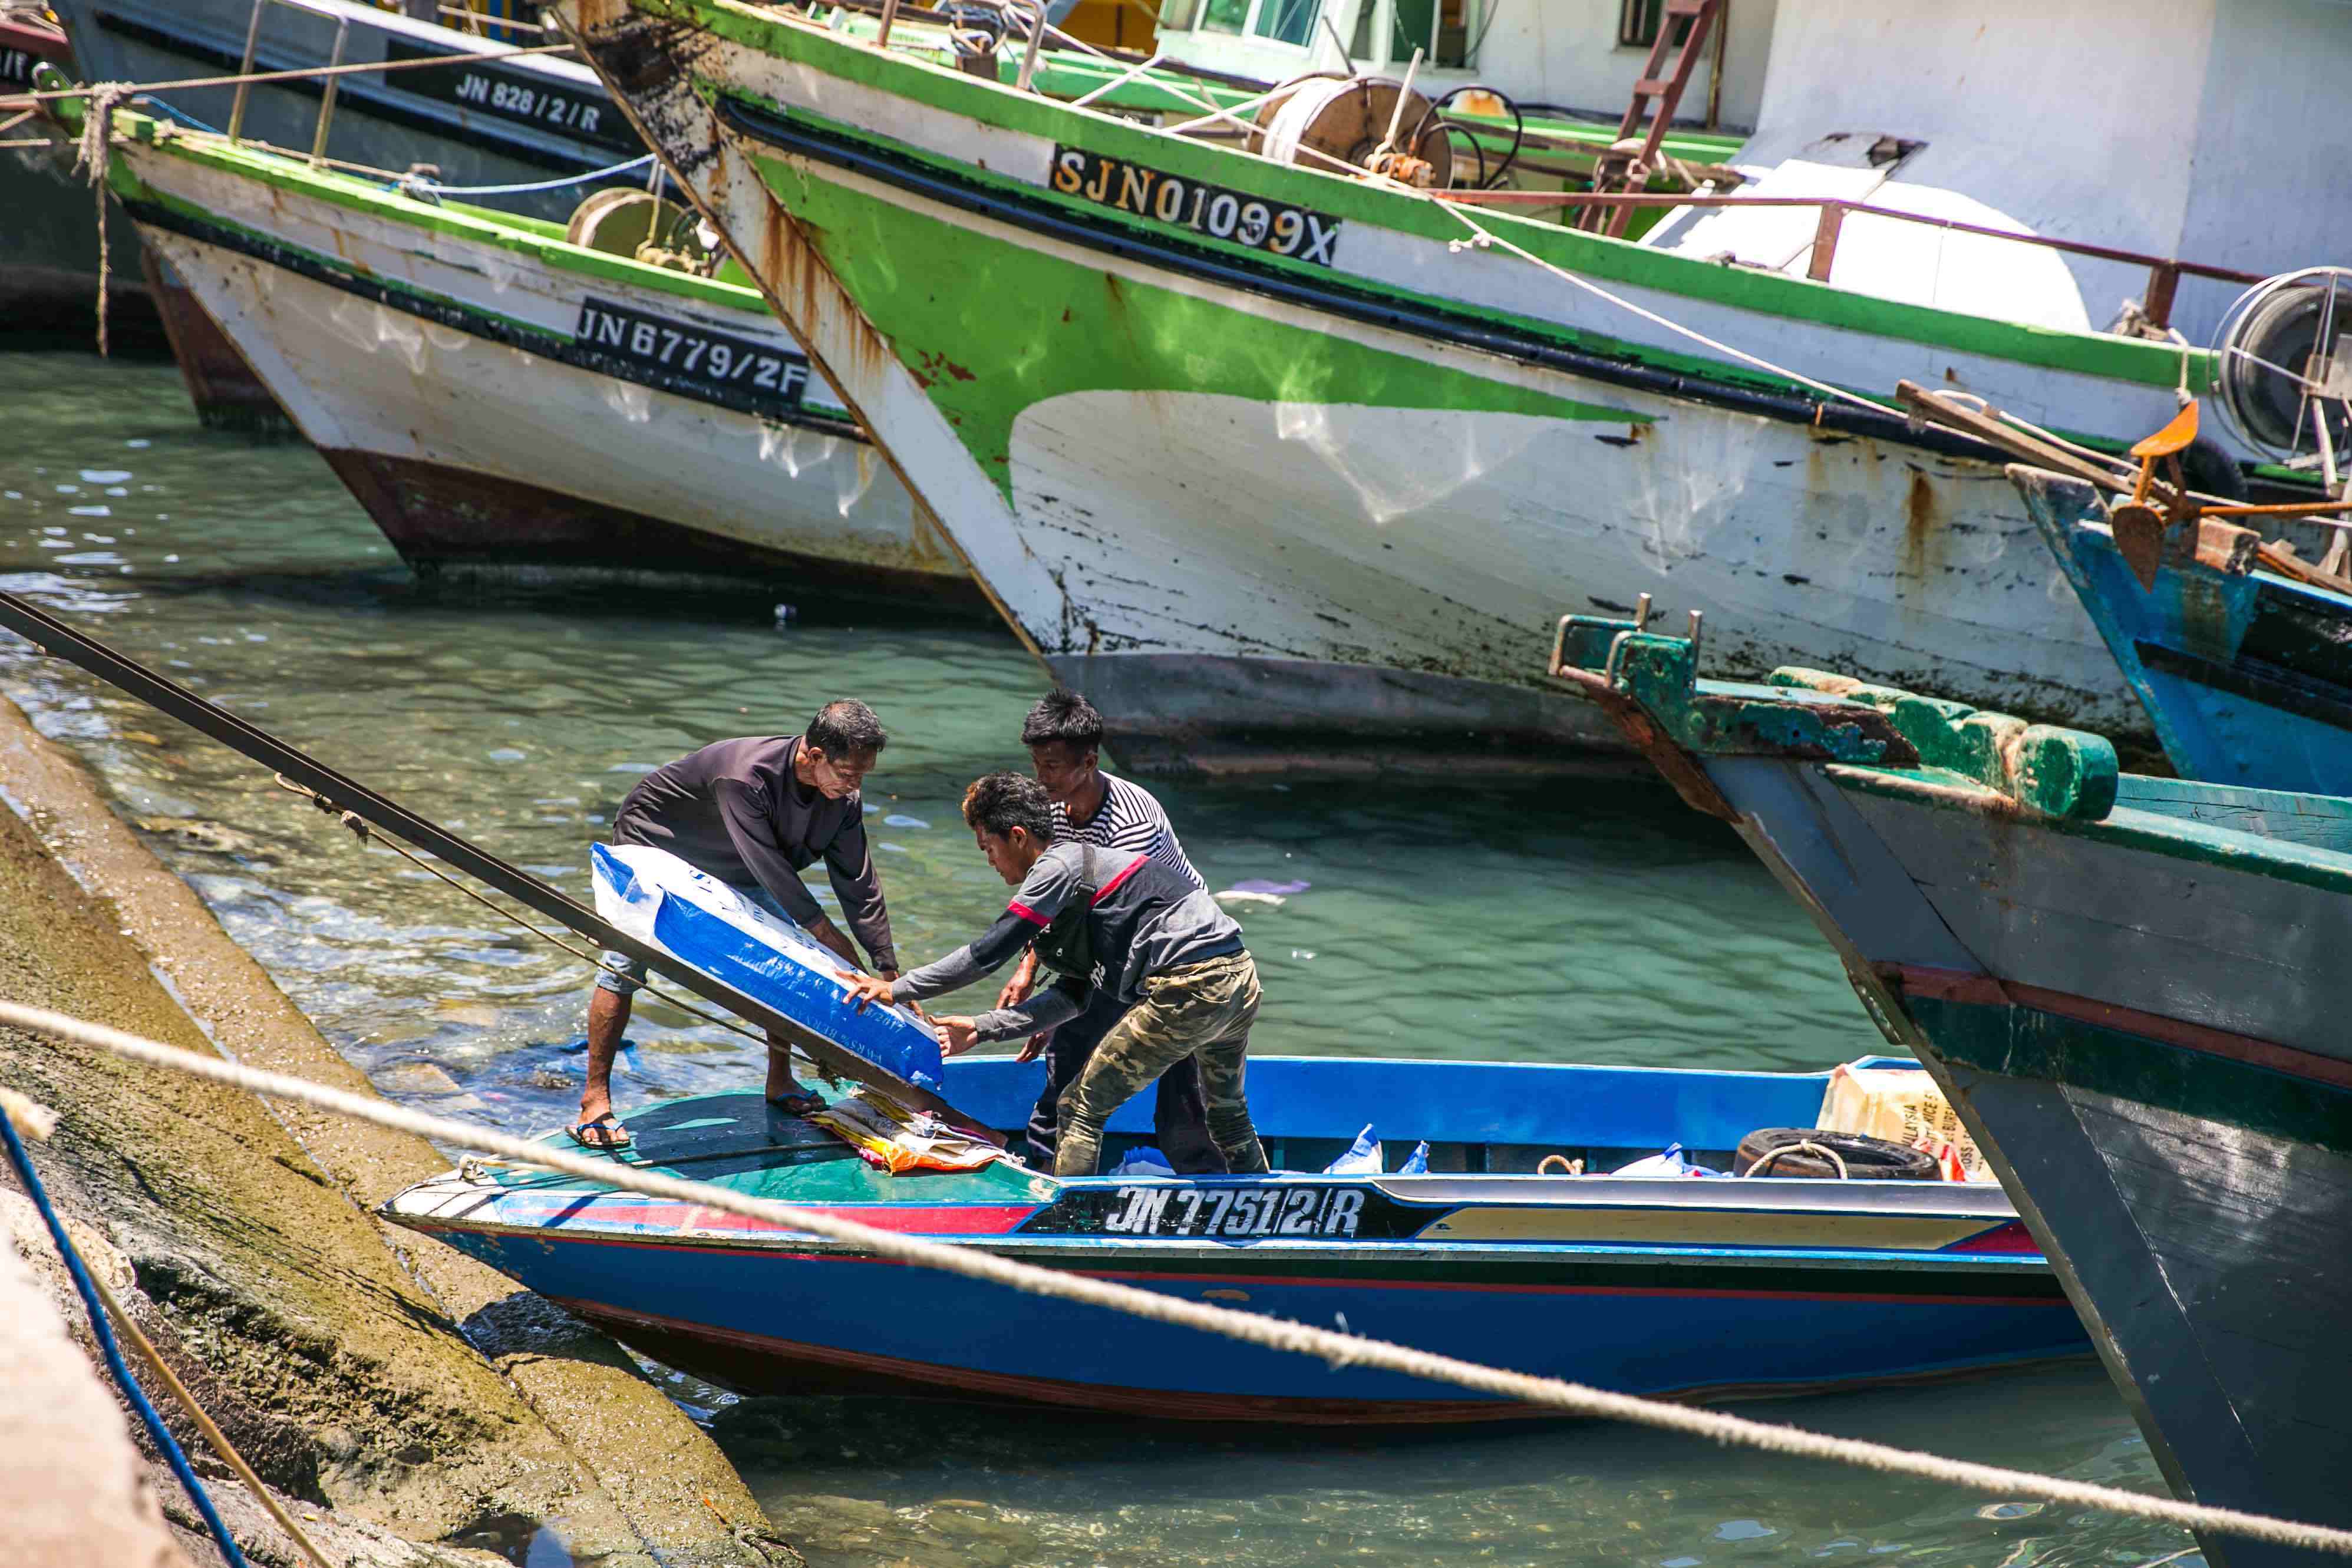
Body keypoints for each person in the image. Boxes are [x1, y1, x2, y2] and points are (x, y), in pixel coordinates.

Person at [842, 772, 1268, 1179]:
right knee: (1226, 1112)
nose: (989, 861)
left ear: (1018, 837)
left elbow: (988, 952)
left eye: (987, 847)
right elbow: (1072, 997)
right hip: (1238, 977)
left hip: (1188, 983)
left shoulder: (1056, 868)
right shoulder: (1083, 881)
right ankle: (1267, 1204)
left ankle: (1068, 1218)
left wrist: (895, 988)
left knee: (1080, 1106)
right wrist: (979, 1028)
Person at [572, 699, 899, 1149]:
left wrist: (887, 971)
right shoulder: (744, 776)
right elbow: (773, 871)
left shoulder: (842, 799)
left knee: (784, 957)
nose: (854, 785)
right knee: (625, 961)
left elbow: (858, 881)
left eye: (863, 775)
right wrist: (832, 940)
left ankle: (779, 1079)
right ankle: (594, 1098)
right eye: (847, 773)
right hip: (656, 843)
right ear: (813, 755)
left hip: (739, 858)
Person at [995, 690, 1225, 1173]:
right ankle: (1048, 1186)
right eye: (1036, 764)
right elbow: (1053, 901)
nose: (1041, 778)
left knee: (1183, 1113)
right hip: (1108, 955)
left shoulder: (1132, 823)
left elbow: (1095, 924)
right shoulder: (1052, 810)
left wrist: (1048, 1010)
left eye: (1052, 766)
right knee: (1060, 1088)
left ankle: (1215, 1202)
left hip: (1175, 960)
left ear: (1089, 762)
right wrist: (1027, 970)